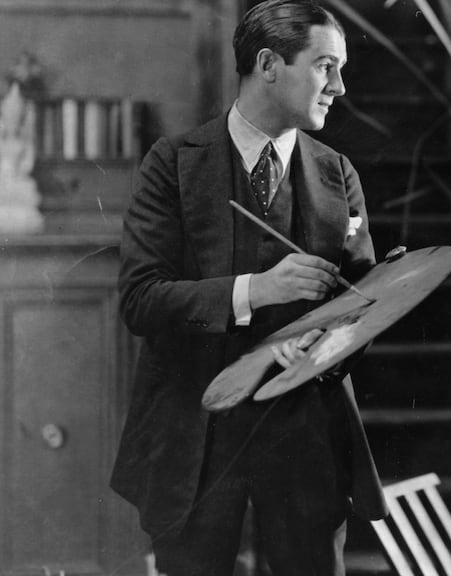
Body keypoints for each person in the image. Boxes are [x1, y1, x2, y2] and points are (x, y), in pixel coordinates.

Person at [111, 1, 386, 573]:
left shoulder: (338, 173)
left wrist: (319, 350)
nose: (339, 86)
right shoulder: (172, 165)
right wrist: (255, 290)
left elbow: (367, 309)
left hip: (307, 433)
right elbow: (141, 300)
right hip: (195, 434)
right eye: (325, 66)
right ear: (268, 64)